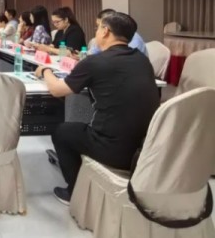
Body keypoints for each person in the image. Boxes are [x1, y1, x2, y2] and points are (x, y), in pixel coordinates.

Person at [35, 12, 159, 205]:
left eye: (98, 28)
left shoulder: (95, 62)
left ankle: (75, 192)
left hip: (113, 150)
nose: (97, 32)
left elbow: (58, 90)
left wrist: (45, 71)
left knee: (62, 131)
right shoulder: (142, 60)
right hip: (145, 148)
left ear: (105, 31)